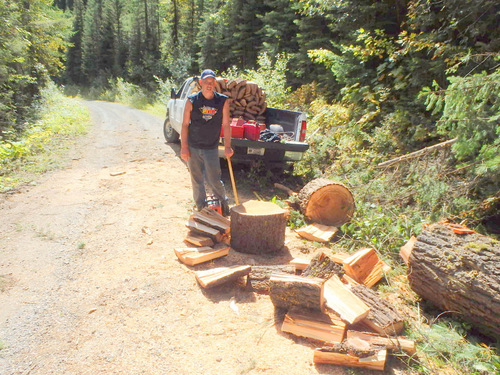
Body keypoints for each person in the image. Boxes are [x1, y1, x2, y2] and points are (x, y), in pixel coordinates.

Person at [180, 69, 233, 216]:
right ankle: (201, 208)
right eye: (206, 82)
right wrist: (184, 147)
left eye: (211, 82)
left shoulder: (222, 101)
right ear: (201, 83)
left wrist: (228, 146)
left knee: (214, 179)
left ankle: (224, 204)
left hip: (211, 147)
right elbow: (184, 125)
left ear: (215, 83)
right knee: (197, 180)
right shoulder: (192, 101)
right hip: (193, 146)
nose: (209, 85)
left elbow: (226, 125)